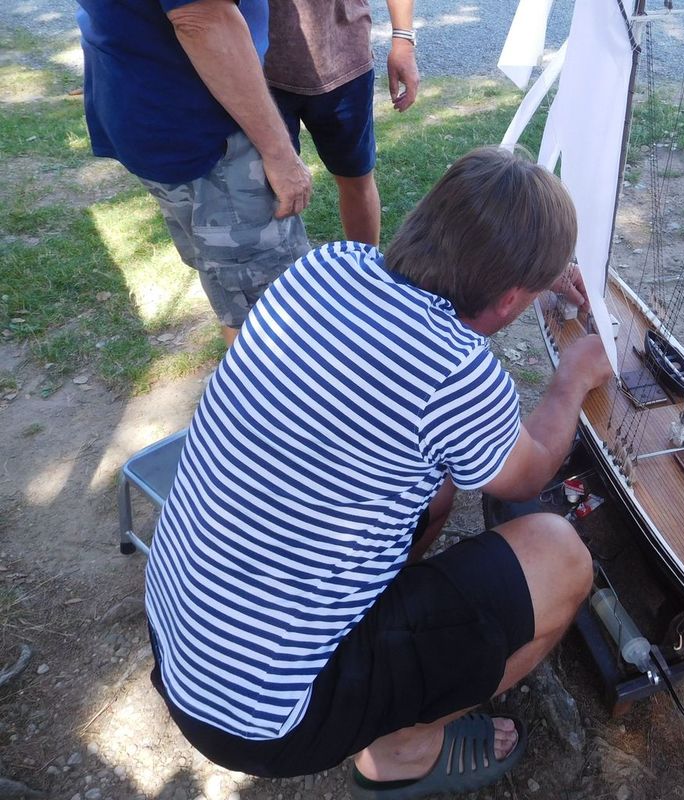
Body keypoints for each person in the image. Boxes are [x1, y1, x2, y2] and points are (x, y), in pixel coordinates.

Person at [144, 147, 612, 797]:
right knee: (560, 556)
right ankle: (401, 751)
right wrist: (573, 377)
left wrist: (538, 271)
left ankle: (378, 636)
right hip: (268, 720)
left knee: (436, 483)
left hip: (183, 640)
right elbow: (526, 475)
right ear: (510, 300)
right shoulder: (456, 370)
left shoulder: (328, 266)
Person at [76, 0, 313, 346]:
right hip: (208, 132)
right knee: (273, 308)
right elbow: (201, 20)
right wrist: (280, 155)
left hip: (157, 109)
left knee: (229, 281)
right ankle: (275, 380)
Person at [265, 0, 420, 245]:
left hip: (346, 63)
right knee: (268, 191)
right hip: (259, 74)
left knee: (357, 180)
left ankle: (364, 266)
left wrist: (403, 42)